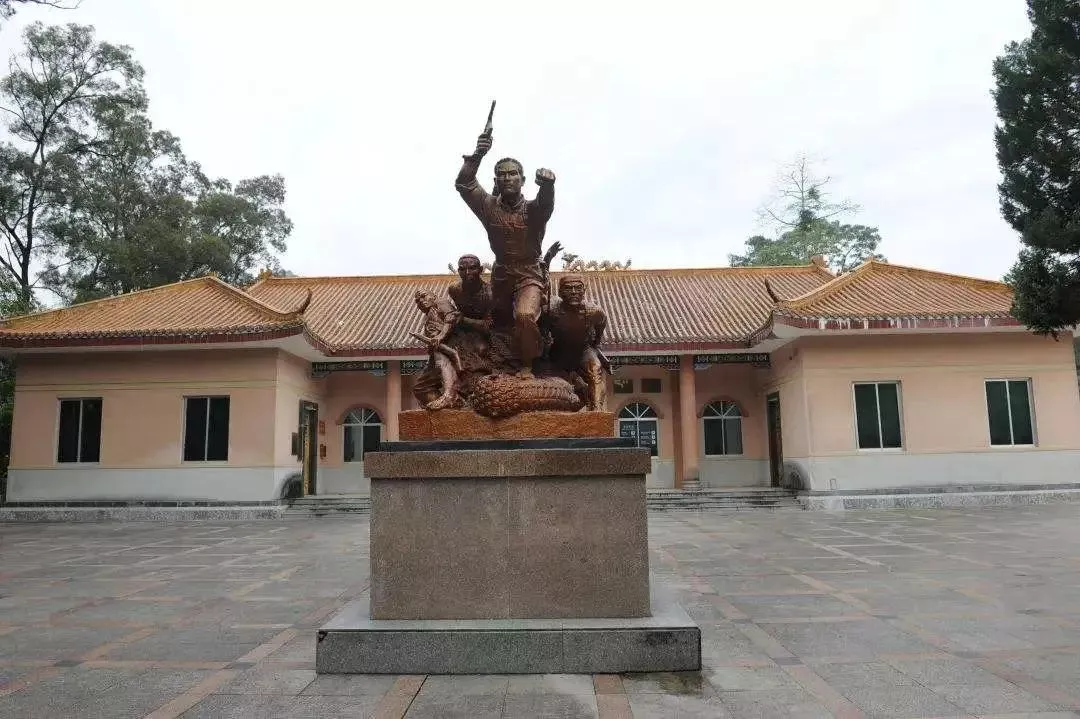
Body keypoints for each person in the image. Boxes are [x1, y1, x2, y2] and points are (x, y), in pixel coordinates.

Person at [455, 131, 555, 376]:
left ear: (523, 179)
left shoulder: (533, 210)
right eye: (502, 175)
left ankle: (528, 364)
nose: (507, 178)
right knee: (497, 321)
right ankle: (498, 363)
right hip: (501, 274)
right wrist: (478, 154)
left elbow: (545, 204)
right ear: (496, 180)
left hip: (529, 273)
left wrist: (548, 185)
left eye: (512, 174)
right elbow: (464, 184)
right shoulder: (488, 206)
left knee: (525, 315)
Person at [544, 274, 610, 411]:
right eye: (568, 288)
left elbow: (601, 325)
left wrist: (595, 344)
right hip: (558, 351)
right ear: (560, 292)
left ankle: (597, 409)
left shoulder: (594, 311)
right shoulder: (551, 309)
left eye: (578, 288)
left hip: (583, 350)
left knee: (595, 370)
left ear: (584, 290)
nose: (574, 292)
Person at [411, 291, 463, 410]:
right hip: (438, 350)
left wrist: (442, 335)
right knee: (420, 388)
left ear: (433, 296)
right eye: (418, 301)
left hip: (454, 344)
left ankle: (449, 395)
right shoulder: (428, 319)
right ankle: (449, 406)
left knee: (441, 359)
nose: (421, 301)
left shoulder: (440, 302)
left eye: (423, 296)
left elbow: (451, 316)